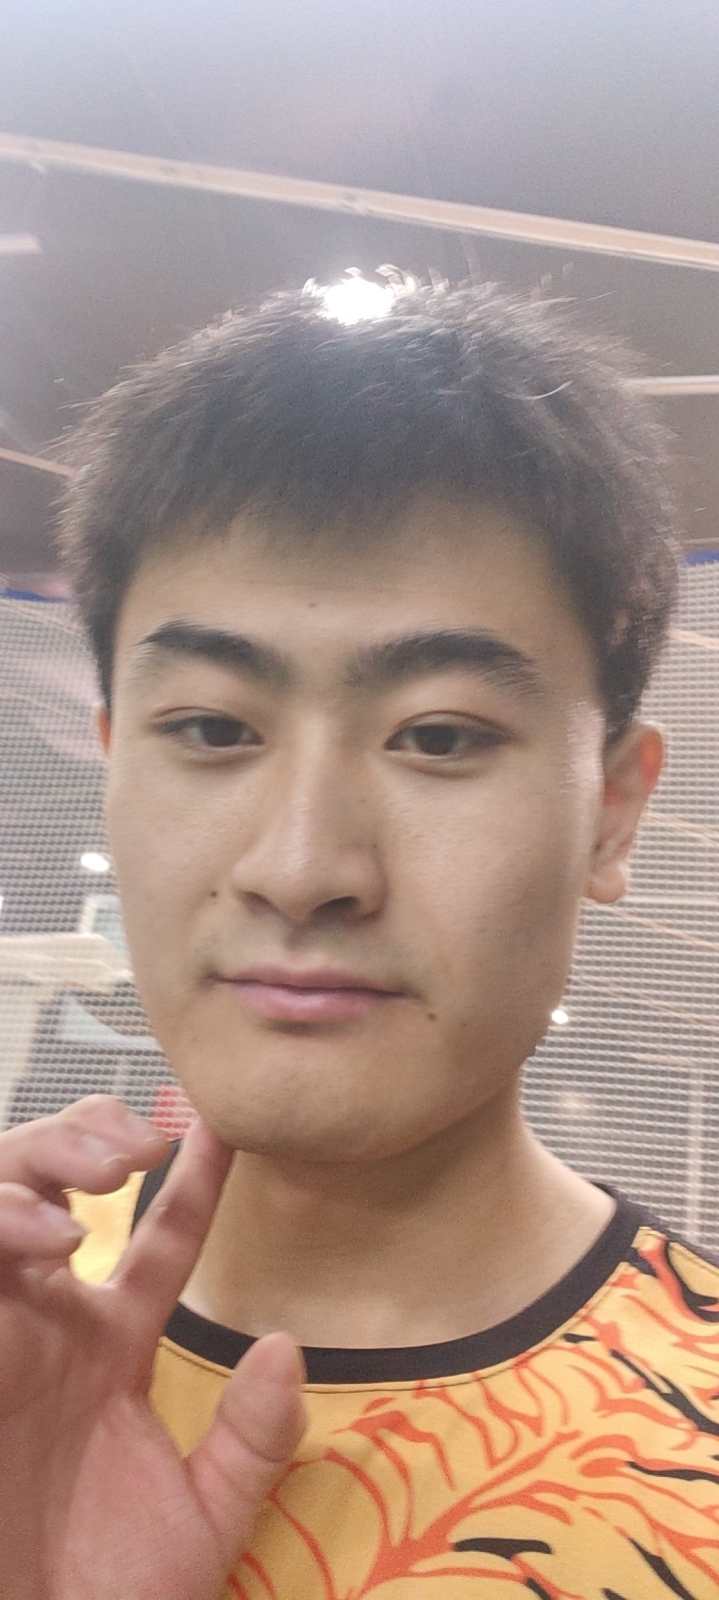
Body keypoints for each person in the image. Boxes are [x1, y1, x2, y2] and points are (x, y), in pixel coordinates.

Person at [1, 283, 715, 1600]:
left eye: (438, 736)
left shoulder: (696, 1433)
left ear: (613, 810)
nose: (299, 868)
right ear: (112, 768)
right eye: (213, 728)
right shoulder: (18, 1318)